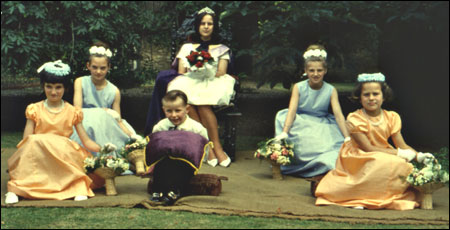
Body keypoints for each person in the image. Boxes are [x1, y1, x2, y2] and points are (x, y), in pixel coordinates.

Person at [315, 73, 431, 210]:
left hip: (382, 152)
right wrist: (399, 153)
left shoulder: (391, 117)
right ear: (360, 97)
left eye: (375, 94)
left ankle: (380, 195)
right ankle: (360, 196)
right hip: (358, 156)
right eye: (366, 94)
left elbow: (402, 145)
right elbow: (368, 148)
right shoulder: (355, 119)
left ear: (383, 96)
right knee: (387, 162)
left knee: (402, 165)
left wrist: (419, 156)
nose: (371, 98)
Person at [5, 60, 101, 204]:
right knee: (32, 142)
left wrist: (102, 151)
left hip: (63, 153)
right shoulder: (34, 109)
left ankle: (76, 187)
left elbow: (85, 140)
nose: (53, 92)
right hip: (40, 152)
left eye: (58, 87)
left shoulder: (72, 111)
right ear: (43, 87)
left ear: (65, 88)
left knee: (71, 155)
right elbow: (27, 139)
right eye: (49, 87)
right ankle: (16, 190)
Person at [154, 7, 234, 167]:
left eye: (210, 24)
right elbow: (182, 72)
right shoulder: (187, 47)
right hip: (190, 80)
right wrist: (196, 69)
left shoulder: (221, 48)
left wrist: (206, 69)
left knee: (203, 104)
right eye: (203, 23)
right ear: (197, 25)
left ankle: (216, 146)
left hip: (212, 81)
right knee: (190, 102)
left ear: (214, 26)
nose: (206, 26)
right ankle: (208, 146)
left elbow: (221, 71)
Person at [274, 44, 351, 181]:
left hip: (320, 121)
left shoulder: (330, 90)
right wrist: (285, 131)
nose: (315, 74)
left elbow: (338, 114)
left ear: (325, 71)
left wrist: (346, 136)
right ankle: (297, 163)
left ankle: (322, 166)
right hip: (301, 120)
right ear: (305, 70)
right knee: (286, 120)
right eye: (312, 70)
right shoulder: (299, 87)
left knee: (330, 143)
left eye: (319, 70)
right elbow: (292, 110)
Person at [70, 41, 137, 157]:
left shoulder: (114, 91)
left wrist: (129, 134)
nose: (98, 72)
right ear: (88, 66)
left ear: (109, 67)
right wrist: (103, 111)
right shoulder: (80, 82)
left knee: (126, 139)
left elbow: (117, 118)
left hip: (106, 125)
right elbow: (77, 110)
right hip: (84, 123)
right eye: (94, 67)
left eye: (103, 68)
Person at [148, 90, 211, 206]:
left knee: (182, 170)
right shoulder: (161, 126)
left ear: (187, 109)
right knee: (161, 166)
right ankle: (158, 191)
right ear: (163, 110)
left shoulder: (196, 129)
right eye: (169, 111)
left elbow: (203, 149)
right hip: (165, 159)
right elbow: (154, 146)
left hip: (186, 162)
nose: (174, 115)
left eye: (178, 110)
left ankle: (175, 191)